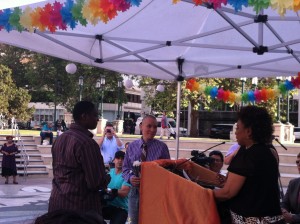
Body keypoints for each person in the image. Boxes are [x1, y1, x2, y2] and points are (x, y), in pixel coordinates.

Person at [214, 105, 284, 223]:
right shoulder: (266, 150)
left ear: (248, 131)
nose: (235, 132)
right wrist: (228, 180)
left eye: (238, 128)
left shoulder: (250, 155)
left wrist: (202, 194)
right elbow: (250, 184)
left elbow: (228, 193)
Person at [48, 101, 110, 221]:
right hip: (80, 210)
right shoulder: (87, 144)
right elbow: (95, 183)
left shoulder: (60, 139)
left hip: (57, 205)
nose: (97, 119)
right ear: (84, 116)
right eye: (94, 115)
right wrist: (107, 178)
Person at [122, 115, 170, 224]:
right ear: (141, 126)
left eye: (155, 126)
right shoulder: (132, 147)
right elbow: (125, 168)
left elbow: (168, 171)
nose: (152, 130)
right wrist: (130, 178)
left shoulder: (162, 148)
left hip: (155, 193)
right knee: (132, 221)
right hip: (135, 193)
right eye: (149, 126)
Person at [102, 151, 131, 224]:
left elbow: (124, 192)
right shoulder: (108, 172)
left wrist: (109, 190)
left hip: (120, 209)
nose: (120, 160)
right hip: (106, 206)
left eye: (122, 159)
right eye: (118, 158)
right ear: (114, 160)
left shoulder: (127, 175)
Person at [281, 152, 300, 223]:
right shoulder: (293, 183)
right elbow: (285, 203)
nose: (299, 164)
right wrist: (283, 211)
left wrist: (293, 217)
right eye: (297, 162)